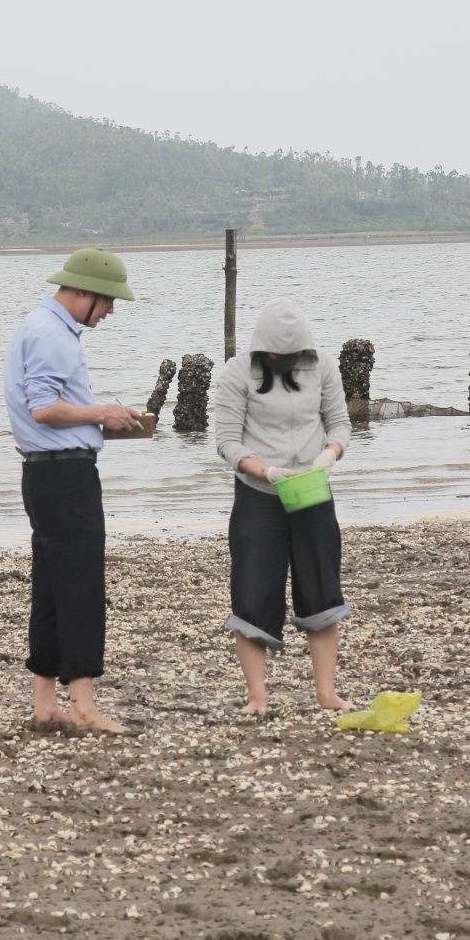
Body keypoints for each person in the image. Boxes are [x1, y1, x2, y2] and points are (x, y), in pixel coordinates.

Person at [2, 247, 143, 733]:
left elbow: (45, 410)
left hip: (45, 473)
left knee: (51, 587)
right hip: (65, 477)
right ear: (81, 292)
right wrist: (102, 412)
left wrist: (101, 420)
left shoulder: (39, 326)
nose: (109, 312)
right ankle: (84, 705)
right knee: (80, 585)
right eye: (106, 302)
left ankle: (44, 703)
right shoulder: (51, 333)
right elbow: (44, 408)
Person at [212, 298, 355, 717]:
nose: (283, 361)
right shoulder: (237, 373)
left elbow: (340, 422)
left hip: (312, 490)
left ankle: (326, 693)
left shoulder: (324, 367)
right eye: (275, 356)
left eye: (291, 357)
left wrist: (329, 455)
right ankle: (258, 695)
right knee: (253, 590)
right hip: (259, 493)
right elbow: (226, 440)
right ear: (261, 350)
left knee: (322, 588)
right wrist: (268, 471)